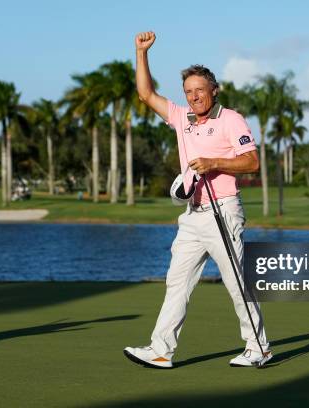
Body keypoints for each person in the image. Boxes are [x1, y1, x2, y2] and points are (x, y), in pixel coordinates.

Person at [123, 31, 271, 369]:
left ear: (213, 90)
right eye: (188, 92)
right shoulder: (182, 118)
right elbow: (145, 94)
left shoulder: (231, 119)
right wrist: (140, 52)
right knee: (176, 281)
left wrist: (214, 162)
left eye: (199, 90)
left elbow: (252, 162)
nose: (193, 97)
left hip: (224, 211)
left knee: (235, 283)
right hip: (193, 215)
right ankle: (161, 350)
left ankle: (258, 347)